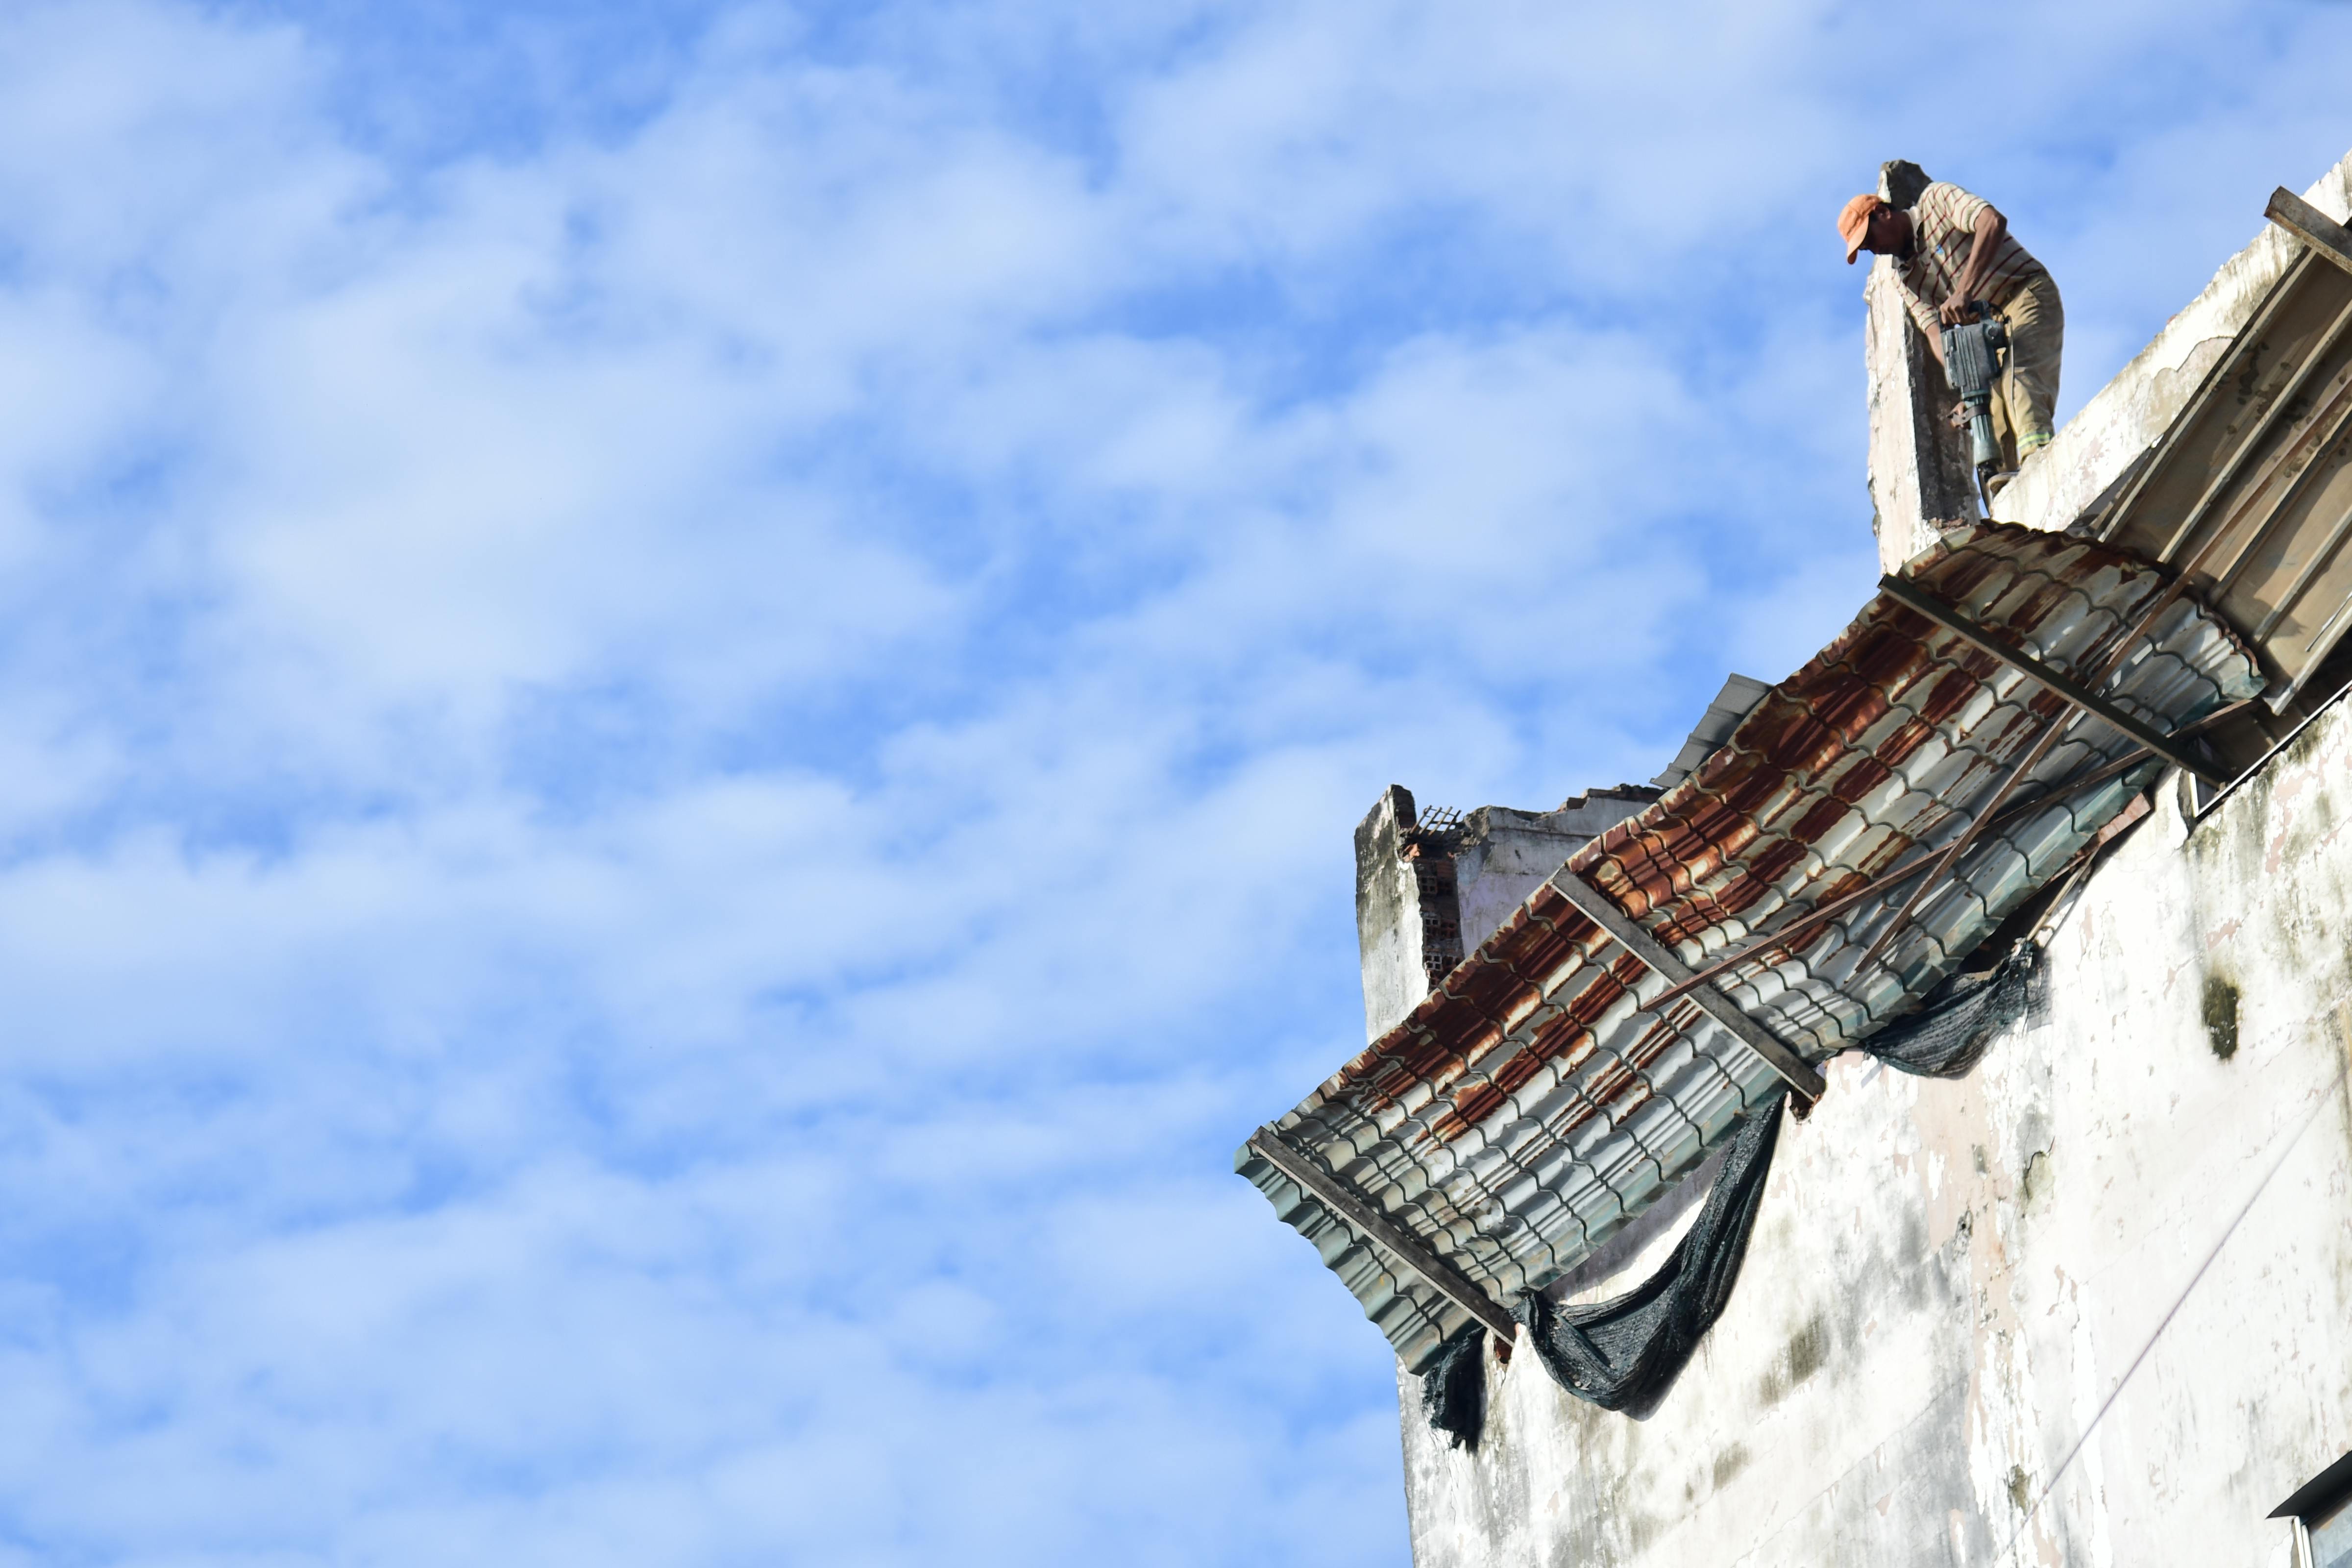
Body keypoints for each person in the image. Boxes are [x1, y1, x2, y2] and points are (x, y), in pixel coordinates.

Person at [1839, 180, 2064, 479]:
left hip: (2023, 292)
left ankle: (2042, 467)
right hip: (1990, 331)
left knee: (2018, 382)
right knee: (1990, 423)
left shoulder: (1936, 201)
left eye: (1870, 238)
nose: (1873, 249)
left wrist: (1964, 291)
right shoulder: (1904, 278)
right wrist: (1967, 381)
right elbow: (1935, 334)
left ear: (1883, 213)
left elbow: (1991, 222)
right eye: (1866, 248)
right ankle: (2011, 509)